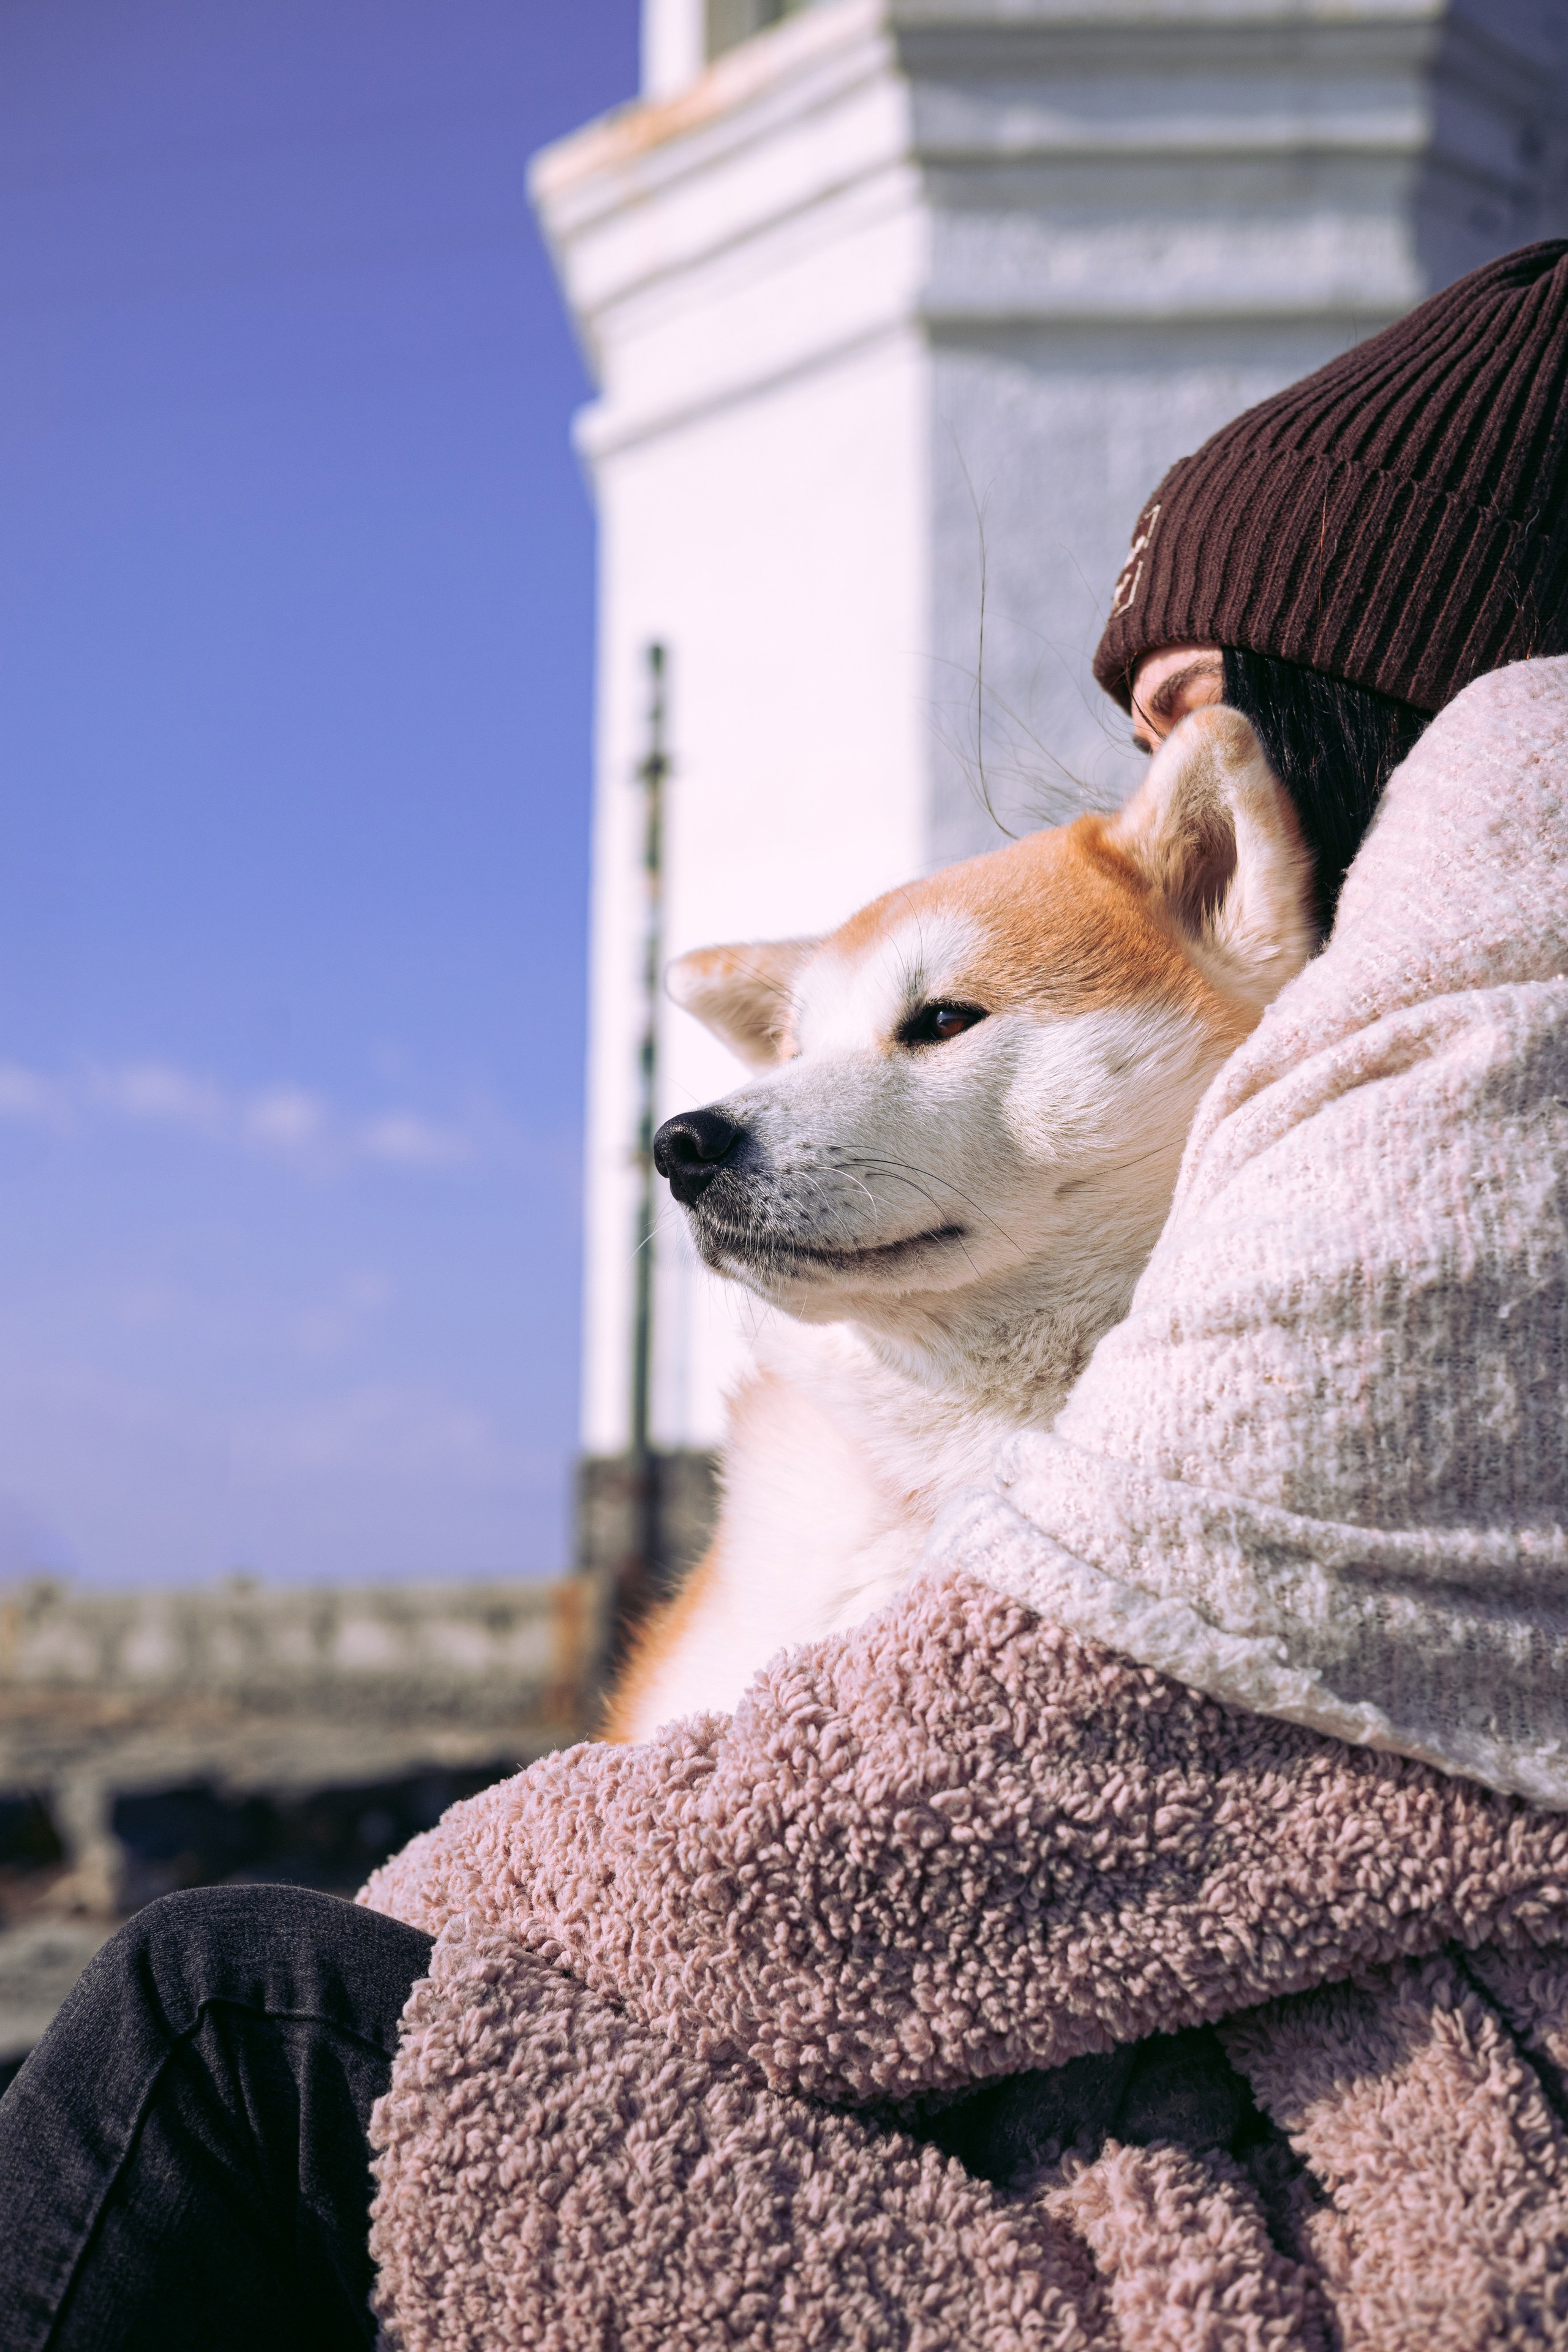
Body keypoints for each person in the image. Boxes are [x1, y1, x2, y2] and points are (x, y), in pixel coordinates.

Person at [4, 238, 1567, 2352]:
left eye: (1198, 684)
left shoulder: (1488, 1012)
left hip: (1346, 2258)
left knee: (221, 2022)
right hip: (1261, 2163)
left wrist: (394, 1943)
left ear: (1395, 696)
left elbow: (982, 1797)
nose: (1144, 744)